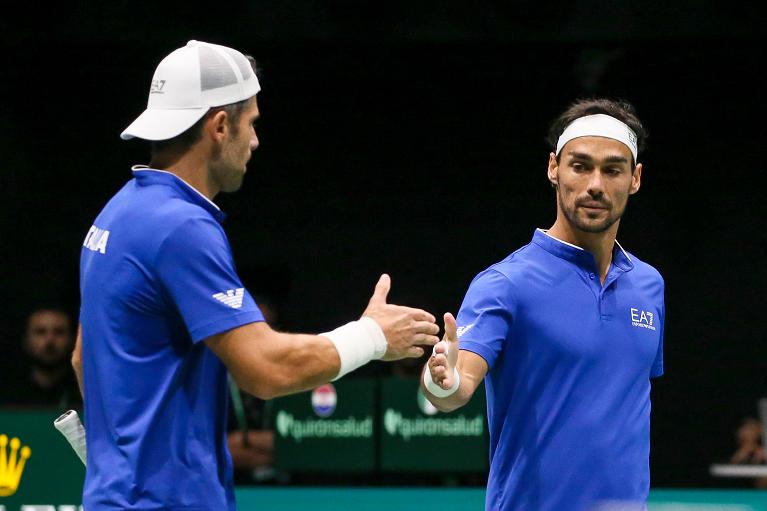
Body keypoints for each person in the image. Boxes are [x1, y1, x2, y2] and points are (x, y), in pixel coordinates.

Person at [72, 40, 439, 510]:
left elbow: (85, 358)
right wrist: (371, 337)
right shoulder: (182, 226)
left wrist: (119, 461)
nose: (256, 140)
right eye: (252, 123)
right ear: (220, 126)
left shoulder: (116, 214)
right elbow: (264, 369)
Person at [423, 98, 665, 511]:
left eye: (612, 170)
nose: (595, 185)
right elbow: (457, 387)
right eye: (580, 166)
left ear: (635, 178)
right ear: (554, 168)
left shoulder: (649, 286)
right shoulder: (505, 283)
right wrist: (440, 383)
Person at [0, 307, 81, 410]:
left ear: (72, 339)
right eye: (40, 332)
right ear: (26, 340)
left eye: (59, 332)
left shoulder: (85, 392)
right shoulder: (8, 394)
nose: (50, 340)